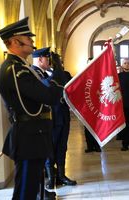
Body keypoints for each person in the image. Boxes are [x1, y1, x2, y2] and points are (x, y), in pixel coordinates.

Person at [0, 17, 64, 200]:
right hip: (29, 137)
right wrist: (58, 74)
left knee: (34, 187)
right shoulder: (16, 70)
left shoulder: (19, 67)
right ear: (15, 42)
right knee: (26, 189)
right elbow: (50, 97)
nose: (32, 42)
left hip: (33, 135)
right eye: (28, 38)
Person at [32, 49, 77, 189]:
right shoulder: (34, 73)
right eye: (48, 59)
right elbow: (48, 87)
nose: (50, 62)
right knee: (50, 147)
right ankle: (51, 177)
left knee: (62, 146)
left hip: (62, 115)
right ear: (40, 59)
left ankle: (61, 176)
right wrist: (58, 71)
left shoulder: (50, 74)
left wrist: (59, 71)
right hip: (50, 117)